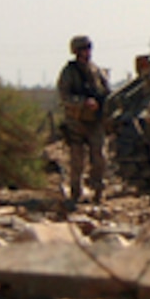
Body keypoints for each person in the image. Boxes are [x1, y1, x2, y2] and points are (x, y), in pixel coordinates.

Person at [57, 35, 111, 205]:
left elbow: (106, 92)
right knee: (77, 160)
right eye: (83, 49)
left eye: (88, 49)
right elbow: (64, 97)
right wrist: (82, 103)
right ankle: (75, 193)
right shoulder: (69, 73)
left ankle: (98, 192)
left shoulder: (96, 71)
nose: (87, 53)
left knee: (99, 158)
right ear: (76, 52)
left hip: (94, 122)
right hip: (76, 122)